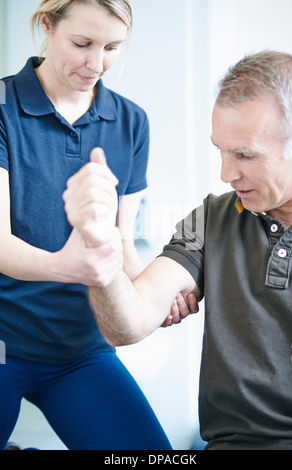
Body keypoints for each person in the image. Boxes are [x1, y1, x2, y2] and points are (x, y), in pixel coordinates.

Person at [64, 50, 292, 450]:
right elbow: (129, 322)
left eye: (244, 155)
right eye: (220, 150)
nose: (225, 174)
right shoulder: (214, 217)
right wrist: (99, 249)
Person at [0, 0, 200, 450]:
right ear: (47, 25)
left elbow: (121, 242)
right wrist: (67, 267)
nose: (97, 63)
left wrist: (153, 296)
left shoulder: (131, 121)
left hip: (81, 349)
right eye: (82, 43)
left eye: (112, 47)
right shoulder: (2, 107)